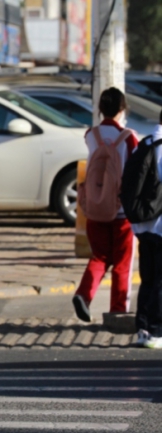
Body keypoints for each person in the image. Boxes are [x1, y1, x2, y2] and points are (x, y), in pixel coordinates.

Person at [72, 87, 138, 323]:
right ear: (123, 109)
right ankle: (118, 312)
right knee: (122, 263)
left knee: (99, 256)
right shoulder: (129, 137)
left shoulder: (91, 135)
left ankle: (84, 294)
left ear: (100, 109)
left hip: (95, 208)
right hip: (121, 212)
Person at [130, 109, 162, 349]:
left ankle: (142, 329)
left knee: (148, 278)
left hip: (142, 223)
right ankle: (156, 330)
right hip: (160, 224)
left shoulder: (144, 144)